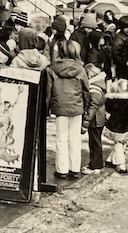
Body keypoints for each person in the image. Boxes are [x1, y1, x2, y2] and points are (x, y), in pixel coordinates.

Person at [46, 40, 91, 179]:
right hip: (77, 107)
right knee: (75, 139)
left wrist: (46, 108)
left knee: (61, 139)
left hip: (60, 106)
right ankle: (75, 168)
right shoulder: (81, 69)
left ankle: (62, 169)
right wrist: (86, 107)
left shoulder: (52, 69)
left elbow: (48, 90)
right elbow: (86, 91)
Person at [103, 78, 128, 174]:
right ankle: (121, 165)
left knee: (118, 143)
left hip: (113, 125)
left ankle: (110, 160)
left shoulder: (110, 100)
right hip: (126, 126)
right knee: (120, 144)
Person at [81, 62, 107, 174]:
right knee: (95, 142)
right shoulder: (99, 84)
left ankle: (95, 166)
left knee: (95, 143)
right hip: (98, 118)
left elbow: (93, 105)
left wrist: (86, 121)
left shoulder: (94, 88)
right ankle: (96, 164)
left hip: (95, 119)